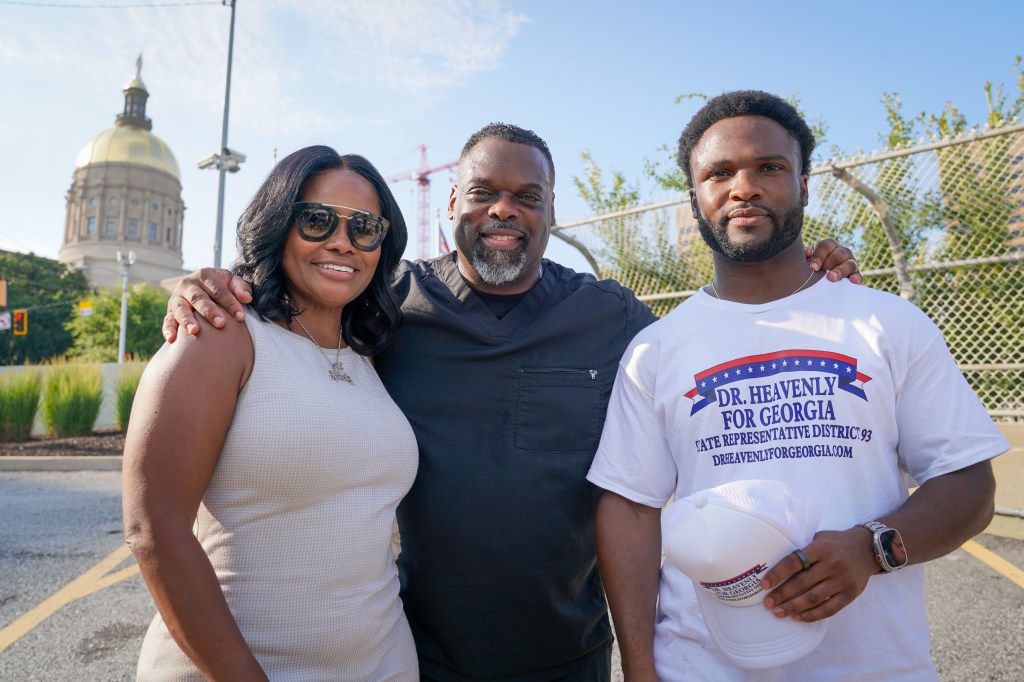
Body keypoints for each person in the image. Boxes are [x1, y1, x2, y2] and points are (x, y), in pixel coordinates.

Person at [162, 123, 862, 681]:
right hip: (415, 651)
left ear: (552, 212)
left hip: (570, 653)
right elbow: (296, 322)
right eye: (483, 191)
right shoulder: (383, 309)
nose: (505, 208)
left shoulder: (610, 316)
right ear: (451, 206)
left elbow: (720, 354)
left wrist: (802, 274)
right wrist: (211, 287)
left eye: (529, 196)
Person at [586, 91, 1010, 681]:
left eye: (769, 167)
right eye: (719, 173)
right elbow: (630, 509)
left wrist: (872, 548)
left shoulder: (887, 323)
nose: (744, 187)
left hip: (876, 667)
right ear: (695, 198)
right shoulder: (656, 350)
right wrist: (638, 665)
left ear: (804, 186)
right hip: (700, 666)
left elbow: (969, 484)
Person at [122, 146, 420, 680]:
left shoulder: (373, 352)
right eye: (316, 219)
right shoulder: (219, 335)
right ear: (278, 225)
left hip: (384, 664)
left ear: (382, 244)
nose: (341, 241)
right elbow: (153, 527)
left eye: (365, 228)